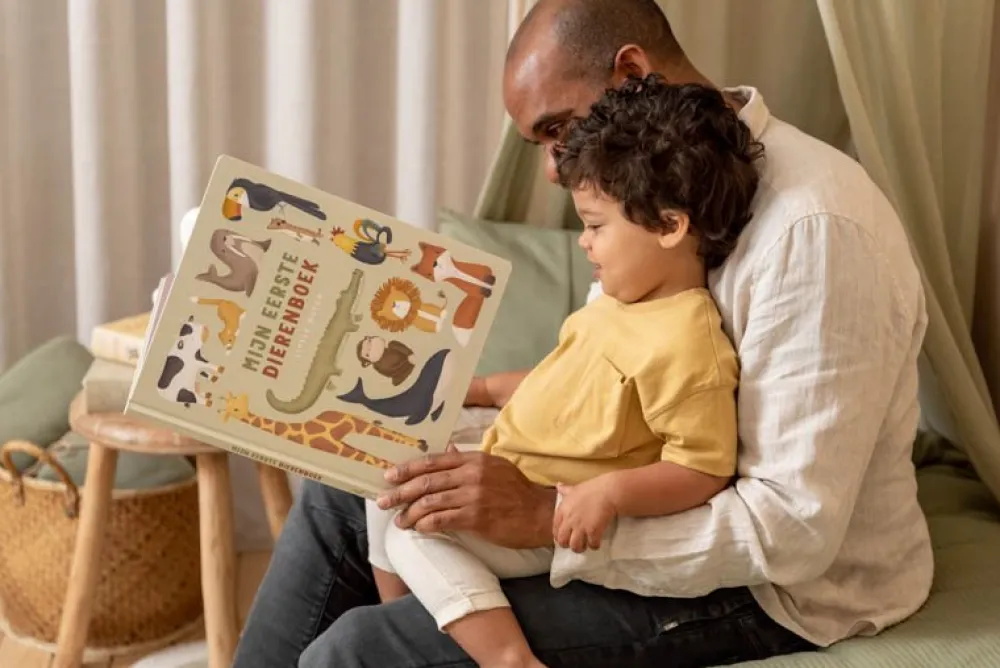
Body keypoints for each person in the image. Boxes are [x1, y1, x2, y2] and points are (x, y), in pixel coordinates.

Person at [232, 0, 933, 665]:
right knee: (366, 481)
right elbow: (600, 380)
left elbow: (793, 532)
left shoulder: (814, 231)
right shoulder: (637, 188)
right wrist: (462, 412)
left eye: (556, 128)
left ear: (631, 75)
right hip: (627, 491)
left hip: (781, 591)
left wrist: (547, 512)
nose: (550, 167)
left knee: (361, 651)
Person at [364, 75, 763, 668]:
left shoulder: (688, 343)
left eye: (596, 226)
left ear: (669, 226)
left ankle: (508, 658)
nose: (584, 244)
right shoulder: (621, 302)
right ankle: (410, 612)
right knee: (389, 473)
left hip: (549, 510)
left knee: (412, 529)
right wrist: (476, 391)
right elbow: (561, 384)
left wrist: (608, 493)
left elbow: (703, 467)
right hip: (515, 459)